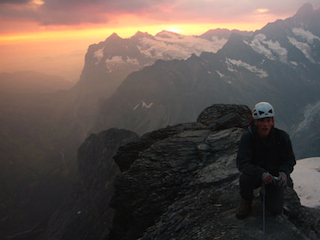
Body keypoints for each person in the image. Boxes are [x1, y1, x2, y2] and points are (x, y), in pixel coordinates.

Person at [235, 102, 296, 219]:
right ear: (256, 122)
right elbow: (242, 163)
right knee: (245, 178)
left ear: (273, 122)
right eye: (262, 121)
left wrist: (284, 172)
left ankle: (267, 194)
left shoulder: (281, 137)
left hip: (275, 176)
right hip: (256, 175)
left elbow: (289, 159)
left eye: (268, 121)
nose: (265, 125)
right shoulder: (248, 138)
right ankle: (246, 200)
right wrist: (261, 174)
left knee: (275, 210)